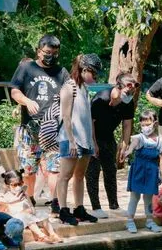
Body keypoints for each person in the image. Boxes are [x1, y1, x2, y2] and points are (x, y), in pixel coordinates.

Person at [10, 34, 69, 209]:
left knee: (54, 168)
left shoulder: (62, 72)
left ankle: (56, 201)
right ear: (39, 51)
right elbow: (15, 91)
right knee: (28, 168)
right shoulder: (26, 68)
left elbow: (70, 94)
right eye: (47, 53)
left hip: (53, 129)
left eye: (55, 53)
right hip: (30, 127)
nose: (51, 57)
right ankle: (29, 199)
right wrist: (27, 101)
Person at [85, 72, 139, 218]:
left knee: (110, 170)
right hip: (92, 135)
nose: (130, 94)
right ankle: (96, 207)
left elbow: (127, 125)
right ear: (118, 86)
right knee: (93, 172)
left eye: (133, 91)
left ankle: (114, 205)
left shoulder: (127, 103)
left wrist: (124, 145)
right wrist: (93, 144)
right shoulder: (101, 98)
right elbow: (91, 123)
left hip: (108, 137)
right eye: (128, 91)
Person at [56, 54, 102, 225]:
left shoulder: (84, 89)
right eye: (94, 74)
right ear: (84, 70)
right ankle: (63, 210)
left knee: (80, 175)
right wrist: (72, 141)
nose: (96, 78)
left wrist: (92, 141)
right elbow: (66, 117)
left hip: (86, 139)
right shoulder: (69, 87)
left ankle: (79, 208)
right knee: (65, 176)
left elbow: (87, 117)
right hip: (71, 139)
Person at [120, 110, 162, 234]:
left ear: (155, 123)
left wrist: (161, 174)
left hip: (152, 170)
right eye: (143, 124)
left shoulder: (160, 140)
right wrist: (128, 151)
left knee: (148, 198)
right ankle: (130, 220)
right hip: (139, 170)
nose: (145, 127)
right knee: (135, 196)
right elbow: (133, 145)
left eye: (148, 124)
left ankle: (149, 221)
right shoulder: (139, 137)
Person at [0, 169, 62, 244]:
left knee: (43, 215)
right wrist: (23, 212)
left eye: (20, 184)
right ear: (8, 185)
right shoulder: (6, 197)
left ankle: (52, 234)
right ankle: (41, 236)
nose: (18, 187)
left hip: (29, 217)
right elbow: (5, 214)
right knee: (27, 217)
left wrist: (32, 210)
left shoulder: (24, 195)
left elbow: (31, 206)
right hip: (17, 220)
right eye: (14, 185)